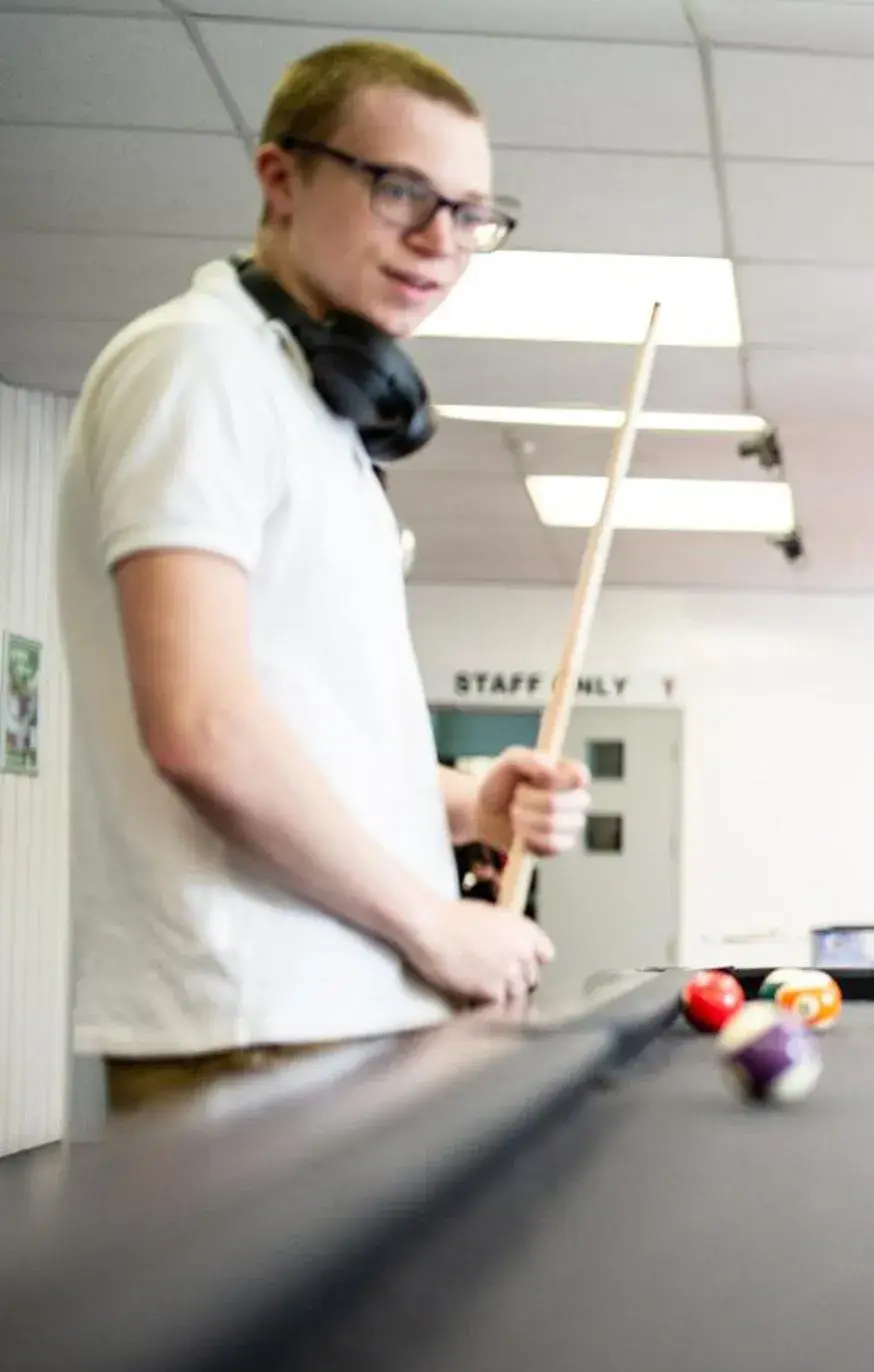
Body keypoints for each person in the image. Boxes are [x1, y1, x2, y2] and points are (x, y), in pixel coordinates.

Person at [55, 41, 590, 1118]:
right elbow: (200, 730)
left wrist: (467, 803)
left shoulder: (316, 412)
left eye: (472, 213)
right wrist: (439, 926)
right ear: (280, 178)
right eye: (402, 191)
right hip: (256, 1021)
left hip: (335, 1013)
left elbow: (313, 741)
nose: (440, 241)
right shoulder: (199, 367)